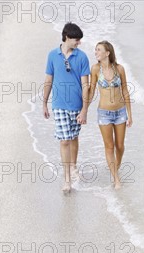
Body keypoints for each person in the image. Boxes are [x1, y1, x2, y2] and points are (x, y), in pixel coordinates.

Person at [43, 22, 90, 193]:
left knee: (74, 137)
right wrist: (44, 103)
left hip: (77, 105)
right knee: (65, 140)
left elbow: (86, 85)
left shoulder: (82, 57)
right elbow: (48, 80)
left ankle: (73, 166)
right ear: (66, 37)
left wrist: (85, 109)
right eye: (76, 40)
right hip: (59, 105)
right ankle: (67, 179)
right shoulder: (52, 55)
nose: (79, 43)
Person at [87, 41, 132, 189]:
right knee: (109, 146)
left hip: (120, 112)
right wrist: (84, 110)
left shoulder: (119, 69)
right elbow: (92, 92)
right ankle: (116, 178)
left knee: (120, 146)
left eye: (98, 50)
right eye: (95, 50)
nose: (96, 52)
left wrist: (129, 114)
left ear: (107, 53)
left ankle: (115, 169)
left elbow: (125, 91)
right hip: (104, 113)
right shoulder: (95, 69)